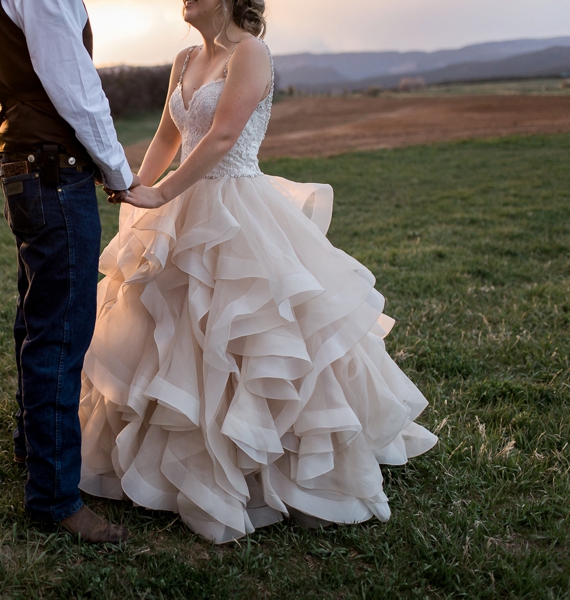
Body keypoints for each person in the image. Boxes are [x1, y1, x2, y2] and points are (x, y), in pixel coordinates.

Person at [78, 0, 438, 543]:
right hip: (180, 212)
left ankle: (257, 462)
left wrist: (163, 190)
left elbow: (222, 138)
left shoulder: (251, 53)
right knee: (169, 331)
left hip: (237, 209)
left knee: (245, 333)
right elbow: (168, 139)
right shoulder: (183, 58)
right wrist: (133, 188)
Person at [0, 0, 138, 543]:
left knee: (37, 319)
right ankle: (54, 497)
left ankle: (32, 448)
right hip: (53, 170)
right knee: (61, 335)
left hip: (25, 165)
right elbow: (76, 86)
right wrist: (117, 168)